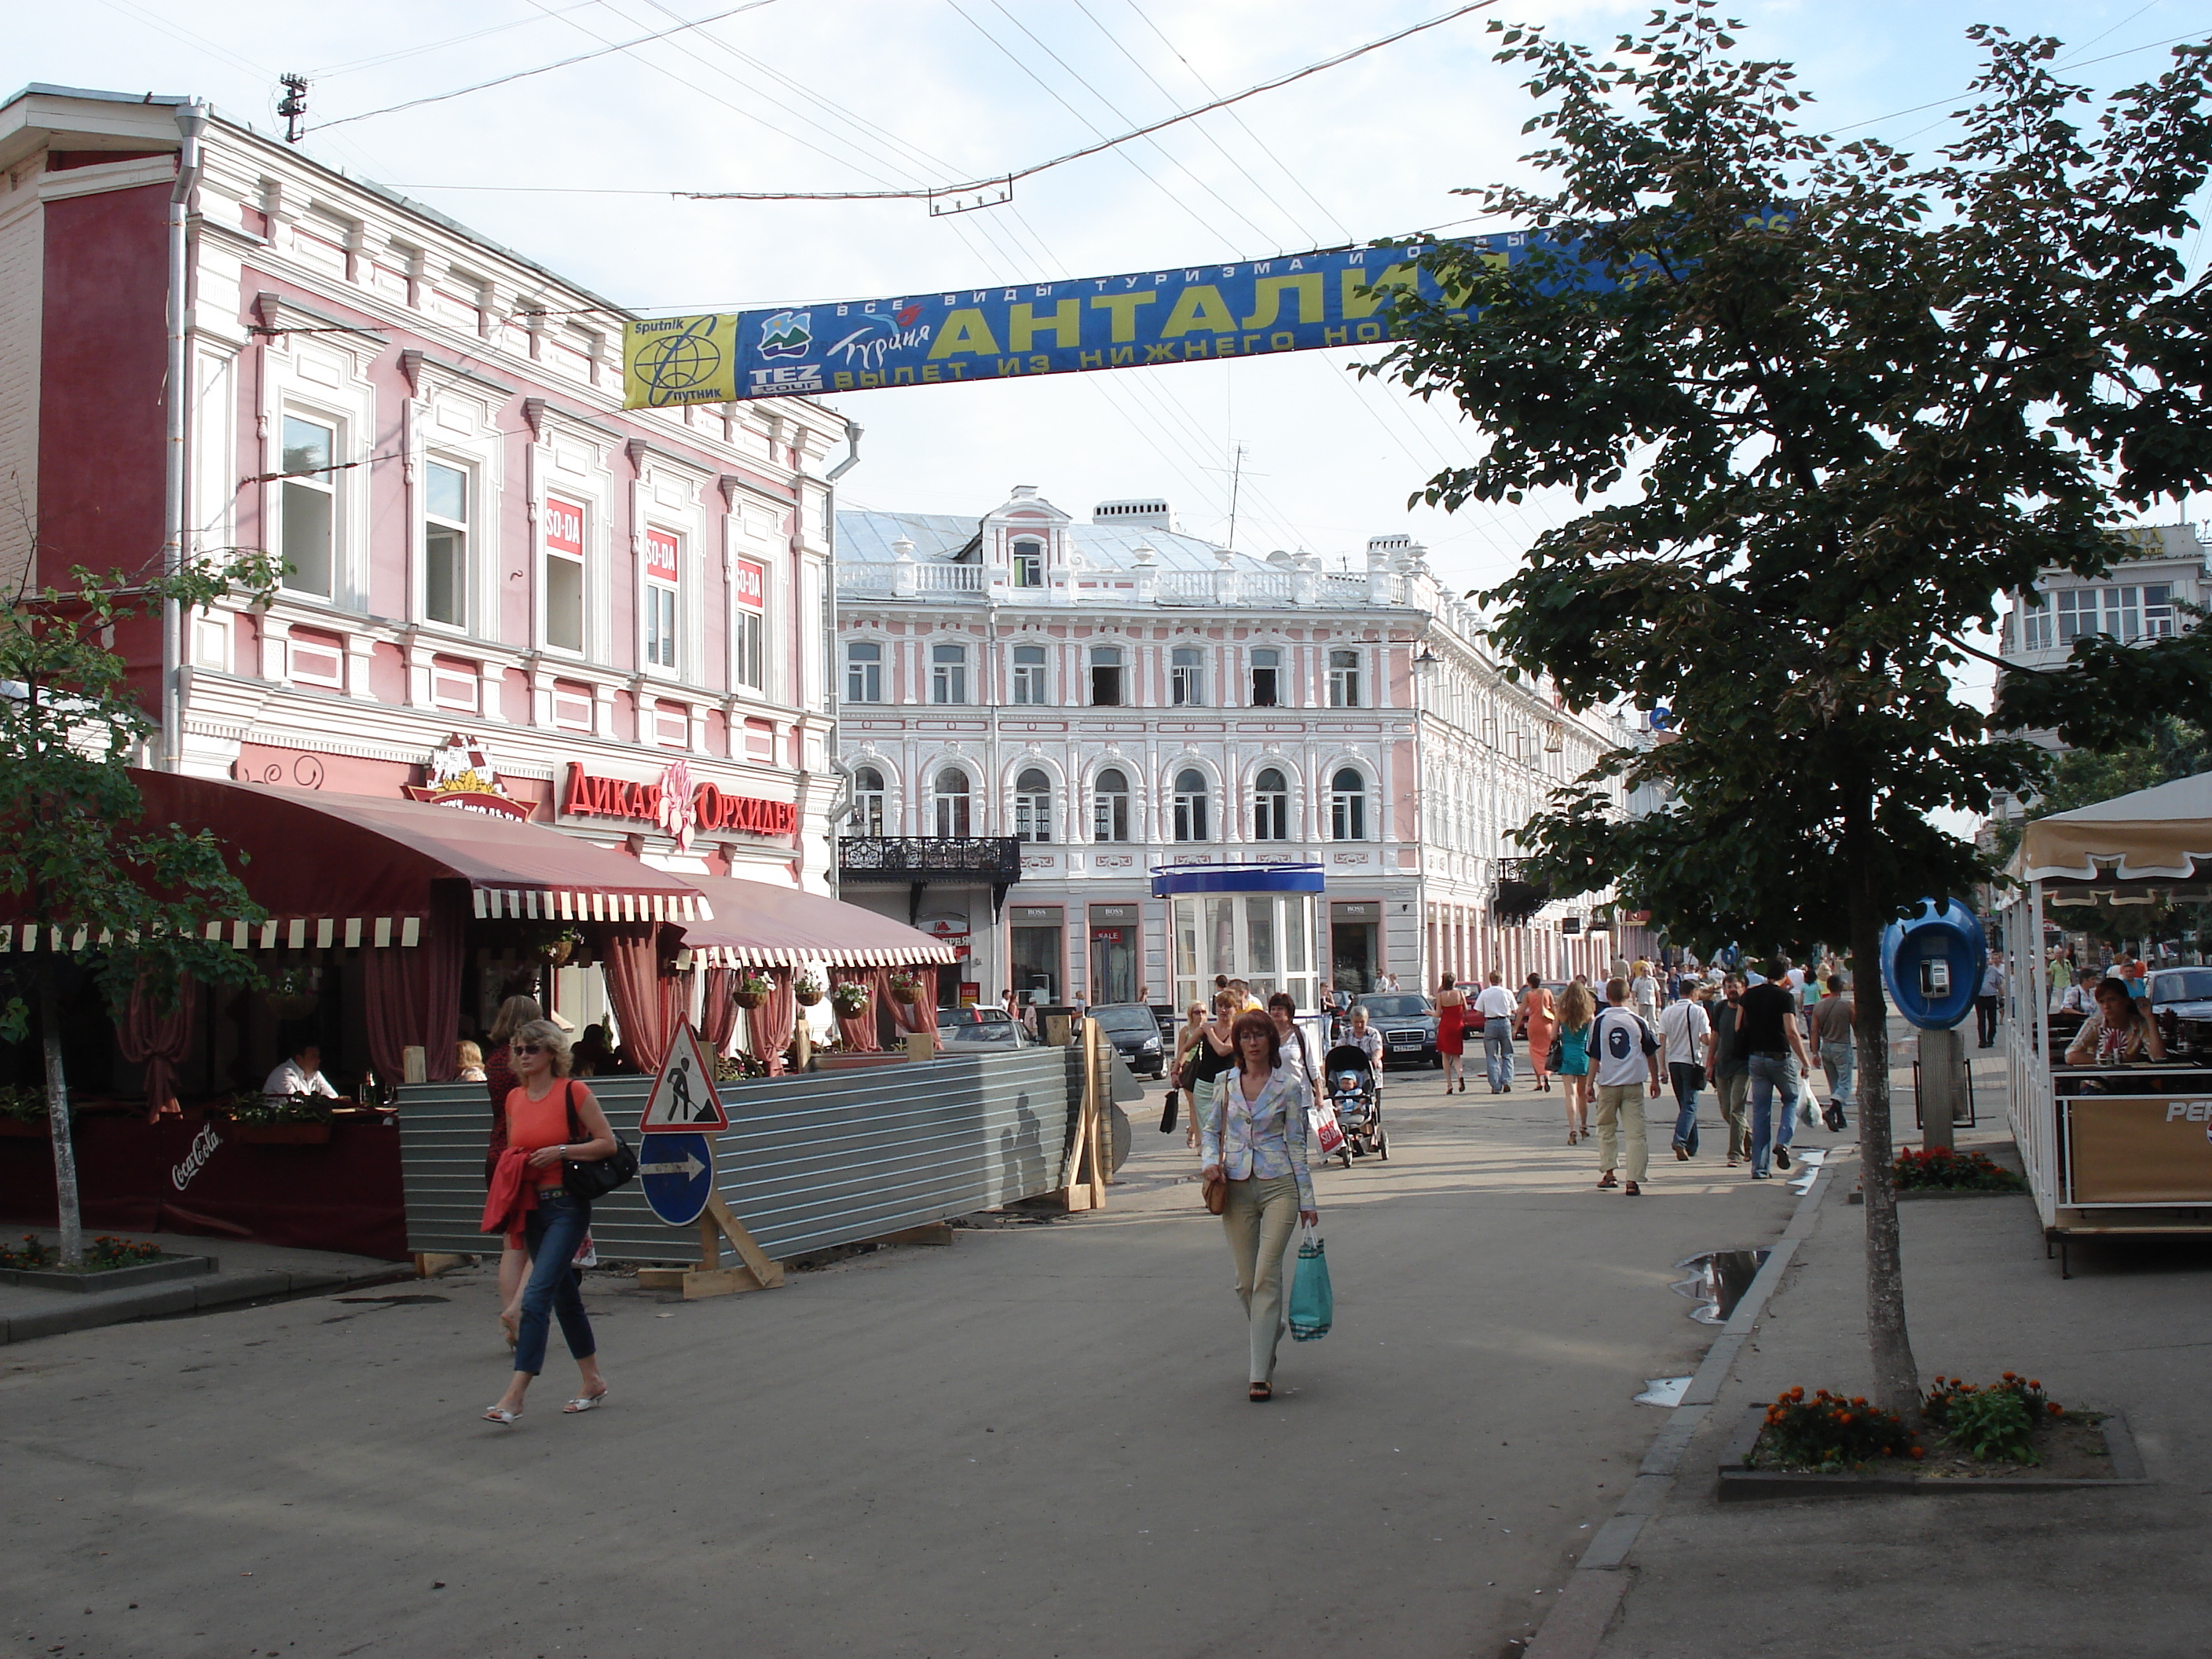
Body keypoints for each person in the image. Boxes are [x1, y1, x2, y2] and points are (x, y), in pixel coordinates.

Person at [481, 1020, 616, 1425]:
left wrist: (559, 1151)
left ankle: (514, 1396)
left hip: (567, 1207)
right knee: (564, 1299)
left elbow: (607, 1142)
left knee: (536, 1297)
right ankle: (592, 1380)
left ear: (553, 1054)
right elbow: (513, 1149)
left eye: (533, 1049)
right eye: (519, 1049)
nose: (524, 1055)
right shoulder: (514, 1100)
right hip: (531, 1207)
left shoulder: (573, 1091)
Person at [1199, 1012, 1319, 1403]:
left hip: (1279, 1184)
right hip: (1235, 1186)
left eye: (1259, 1036)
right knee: (1245, 1282)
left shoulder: (1289, 1086)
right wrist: (1209, 1164)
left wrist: (1307, 1201)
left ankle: (1258, 1375)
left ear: (1271, 1041)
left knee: (1267, 1275)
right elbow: (1211, 1131)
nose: (1252, 1043)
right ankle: (1271, 1329)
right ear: (1237, 1043)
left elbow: (1297, 1145)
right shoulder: (1226, 1083)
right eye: (1245, 1037)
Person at [481, 995, 544, 1346]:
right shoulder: (527, 1063)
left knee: (512, 1243)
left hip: (497, 1153)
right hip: (527, 1154)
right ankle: (520, 1309)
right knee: (545, 1239)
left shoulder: (493, 1061)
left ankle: (511, 1319)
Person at [1739, 960, 1815, 1180]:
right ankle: (1783, 1143)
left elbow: (1738, 1026)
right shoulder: (1784, 998)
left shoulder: (1749, 995)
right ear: (1784, 975)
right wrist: (1805, 1061)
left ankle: (1760, 1168)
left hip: (1756, 1057)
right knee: (1791, 1099)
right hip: (1779, 1056)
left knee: (1760, 1112)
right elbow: (1791, 1032)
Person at [1590, 978, 1663, 1195]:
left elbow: (1595, 1056)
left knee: (1605, 1128)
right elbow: (1650, 1052)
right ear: (1629, 995)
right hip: (1633, 1085)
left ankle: (1610, 1172)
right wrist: (1655, 1080)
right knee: (1636, 1133)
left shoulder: (1599, 1022)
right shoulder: (1638, 1021)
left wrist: (1588, 1084)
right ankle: (1634, 1179)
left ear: (1607, 996)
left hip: (1608, 1084)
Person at [1186, 990, 1243, 1158]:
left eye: (1228, 1006)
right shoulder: (1205, 1029)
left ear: (1235, 1009)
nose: (1223, 1010)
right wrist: (1177, 1069)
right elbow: (1186, 1047)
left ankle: (1223, 1157)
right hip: (1204, 1083)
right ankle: (1212, 1158)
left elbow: (1223, 1050)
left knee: (1227, 1123)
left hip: (1229, 1084)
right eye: (1220, 1006)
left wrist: (1209, 1032)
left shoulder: (1237, 1031)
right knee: (1207, 1125)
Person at [1659, 983, 1712, 1159]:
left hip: (1674, 1062)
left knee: (1685, 1105)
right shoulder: (1698, 1012)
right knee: (1690, 1105)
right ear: (1693, 992)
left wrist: (1662, 1068)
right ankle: (1680, 1140)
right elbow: (1706, 1040)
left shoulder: (1668, 1011)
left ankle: (1692, 1145)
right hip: (1691, 1062)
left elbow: (1662, 1041)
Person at [2064, 977, 2166, 1067]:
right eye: (2102, 1002)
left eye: (2112, 1000)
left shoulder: (2139, 1024)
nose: (2106, 1006)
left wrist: (2149, 1018)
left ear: (2126, 1000)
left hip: (2131, 1085)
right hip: (2098, 1084)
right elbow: (2071, 1055)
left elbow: (2159, 1057)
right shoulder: (2094, 1024)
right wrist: (2111, 1060)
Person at [1705, 972, 1752, 1166]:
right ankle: (1752, 1141)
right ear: (1724, 990)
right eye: (1729, 986)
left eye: (1736, 986)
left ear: (1743, 988)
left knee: (1736, 1109)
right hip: (1722, 1065)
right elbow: (1715, 1035)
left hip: (1744, 1065)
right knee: (1726, 1111)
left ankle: (1735, 1154)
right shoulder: (1721, 1008)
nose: (1733, 989)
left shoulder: (1749, 1009)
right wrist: (1709, 1063)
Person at [1266, 992, 1323, 1119]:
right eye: (1273, 1009)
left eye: (1280, 1009)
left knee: (1298, 1137)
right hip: (1274, 1098)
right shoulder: (1266, 1036)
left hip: (1300, 1097)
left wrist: (1319, 1095)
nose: (1276, 1012)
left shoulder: (1300, 1034)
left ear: (1289, 1012)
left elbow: (1312, 1066)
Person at [1812, 975, 1856, 1130]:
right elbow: (1855, 1025)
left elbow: (1814, 1031)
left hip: (1826, 1047)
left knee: (1834, 1084)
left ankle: (1841, 1118)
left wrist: (1814, 1053)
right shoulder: (1848, 1005)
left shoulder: (1819, 1006)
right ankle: (1831, 1112)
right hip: (1842, 1046)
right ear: (1841, 986)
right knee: (1845, 1084)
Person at [1555, 980, 1595, 1144]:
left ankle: (1572, 1129)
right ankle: (1584, 1126)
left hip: (1567, 1054)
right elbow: (1593, 1036)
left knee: (1569, 1094)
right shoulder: (1588, 1014)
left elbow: (1552, 1035)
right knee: (1582, 1093)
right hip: (1583, 1055)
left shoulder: (1561, 1012)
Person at [1170, 1003, 1210, 1148]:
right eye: (1197, 1012)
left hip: (1204, 1067)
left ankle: (1192, 1130)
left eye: (1203, 1012)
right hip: (1188, 1068)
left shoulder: (1208, 1030)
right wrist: (1177, 1069)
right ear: (1190, 1014)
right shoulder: (1185, 1031)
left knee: (1203, 1106)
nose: (1200, 1015)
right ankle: (1199, 1142)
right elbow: (1182, 1050)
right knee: (1193, 1105)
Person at [1475, 971, 1518, 1094]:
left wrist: (1488, 1012)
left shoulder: (1485, 993)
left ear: (1490, 980)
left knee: (1491, 1055)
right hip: (1505, 1022)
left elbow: (1478, 1011)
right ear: (1501, 980)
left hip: (1491, 1023)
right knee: (1508, 1053)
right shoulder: (1507, 992)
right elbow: (1515, 1009)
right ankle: (1507, 1081)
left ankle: (1495, 1085)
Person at [1518, 973, 1558, 1093]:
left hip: (1534, 1025)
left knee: (1534, 1051)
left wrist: (1515, 1028)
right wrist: (1557, 1024)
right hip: (1546, 1024)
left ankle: (1539, 1081)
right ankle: (1547, 1074)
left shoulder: (1528, 995)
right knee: (1547, 1050)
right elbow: (1553, 1009)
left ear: (1530, 983)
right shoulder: (1547, 992)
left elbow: (1521, 1012)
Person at [262, 1042, 341, 1102]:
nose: (318, 1060)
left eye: (318, 1056)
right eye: (313, 1057)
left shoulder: (315, 1074)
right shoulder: (283, 1074)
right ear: (299, 1059)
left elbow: (333, 1098)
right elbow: (296, 1103)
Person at [1435, 973, 1469, 1094]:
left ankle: (1449, 1084)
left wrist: (1429, 1013)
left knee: (1445, 1056)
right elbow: (1466, 1009)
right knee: (1456, 1056)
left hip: (1445, 1027)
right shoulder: (1460, 994)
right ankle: (1460, 1075)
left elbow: (1438, 1014)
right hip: (1457, 1026)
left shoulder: (1440, 996)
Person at [1975, 958, 2005, 1049]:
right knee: (1981, 1020)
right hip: (1980, 998)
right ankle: (1982, 1041)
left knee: (1992, 1020)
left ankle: (1990, 1039)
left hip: (1991, 997)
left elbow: (1998, 985)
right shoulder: (1976, 972)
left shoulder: (1994, 971)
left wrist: (2002, 997)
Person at [1346, 1005, 1383, 1072]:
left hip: (1370, 1067)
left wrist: (1375, 1057)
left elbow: (1378, 1050)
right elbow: (1339, 1051)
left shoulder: (1373, 1033)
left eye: (1362, 1022)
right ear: (1352, 1021)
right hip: (1351, 1068)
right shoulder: (1346, 1034)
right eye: (1356, 1022)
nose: (1359, 1025)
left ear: (1367, 1020)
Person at [1630, 960, 1661, 1027]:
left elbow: (1657, 990)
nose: (1646, 972)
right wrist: (1634, 1000)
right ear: (1641, 972)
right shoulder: (1637, 980)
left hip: (1651, 1001)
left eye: (1647, 971)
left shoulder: (1652, 980)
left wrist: (1659, 1001)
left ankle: (1653, 1031)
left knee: (1652, 1017)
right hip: (1642, 1001)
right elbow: (1634, 990)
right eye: (1644, 971)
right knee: (1642, 1018)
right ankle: (1645, 1031)